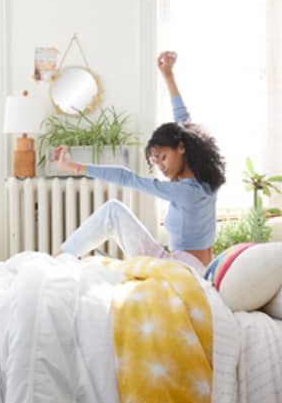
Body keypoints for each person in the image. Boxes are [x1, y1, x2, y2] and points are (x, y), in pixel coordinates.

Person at [53, 51, 226, 273]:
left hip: (180, 270)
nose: (161, 167)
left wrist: (74, 167)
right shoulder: (205, 182)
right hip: (190, 267)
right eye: (156, 161)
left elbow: (126, 177)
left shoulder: (185, 192)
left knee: (113, 211)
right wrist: (168, 76)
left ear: (182, 148)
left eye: (163, 157)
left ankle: (57, 259)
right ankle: (62, 258)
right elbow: (184, 122)